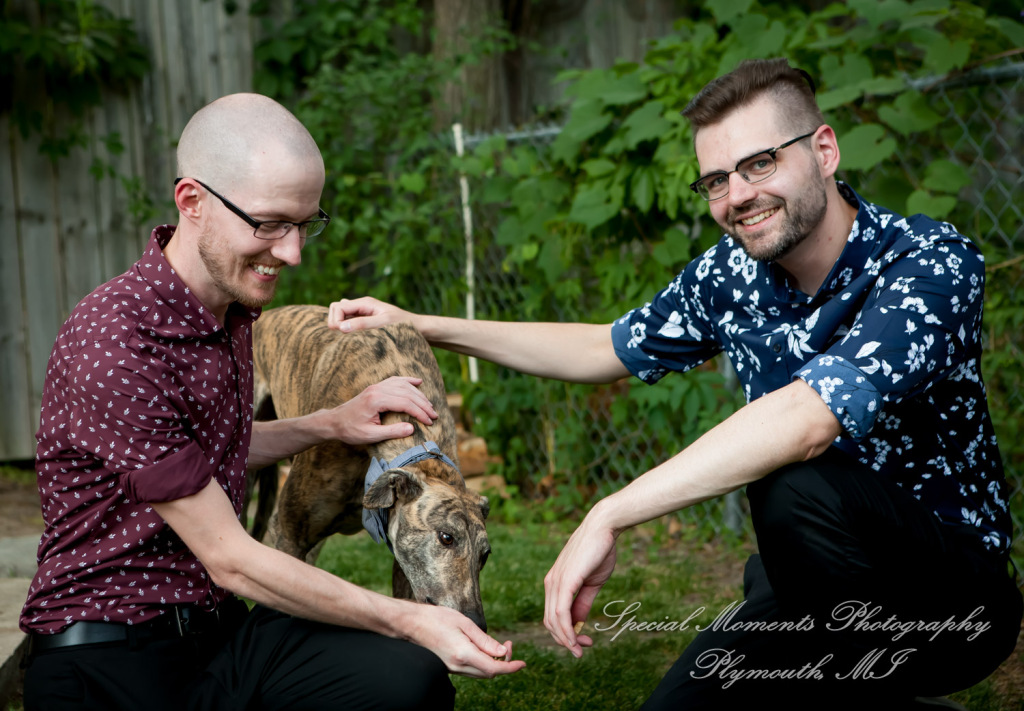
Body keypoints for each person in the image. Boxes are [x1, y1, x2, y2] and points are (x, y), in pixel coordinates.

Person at [327, 58, 1022, 709]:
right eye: (716, 179)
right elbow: (607, 345)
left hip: (951, 599)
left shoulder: (929, 263)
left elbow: (809, 419)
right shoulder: (732, 274)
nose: (737, 195)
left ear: (825, 150)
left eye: (758, 163)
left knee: (792, 481)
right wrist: (424, 323)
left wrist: (610, 510)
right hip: (809, 584)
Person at [20, 92, 525, 711]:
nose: (292, 253)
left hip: (218, 632)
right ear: (192, 202)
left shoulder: (228, 310)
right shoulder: (119, 341)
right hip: (111, 656)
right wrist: (408, 617)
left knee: (408, 682)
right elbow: (232, 559)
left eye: (306, 224)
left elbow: (203, 456)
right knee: (408, 643)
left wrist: (329, 424)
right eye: (270, 224)